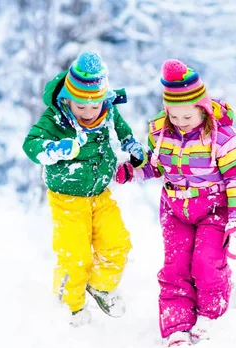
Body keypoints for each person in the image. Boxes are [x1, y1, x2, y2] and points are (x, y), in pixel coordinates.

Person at [115, 59, 236, 347]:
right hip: (176, 210)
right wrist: (133, 171)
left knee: (205, 263)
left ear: (202, 108)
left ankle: (210, 315)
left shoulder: (225, 140)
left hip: (214, 209)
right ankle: (176, 325)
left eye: (186, 117)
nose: (179, 123)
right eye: (173, 117)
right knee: (175, 267)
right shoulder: (161, 133)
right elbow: (157, 166)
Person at [22, 51, 147, 327]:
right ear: (67, 98)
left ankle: (101, 286)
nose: (89, 113)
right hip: (67, 199)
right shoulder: (55, 119)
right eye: (81, 107)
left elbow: (121, 127)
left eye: (95, 106)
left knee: (118, 243)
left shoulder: (106, 109)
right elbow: (30, 145)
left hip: (100, 195)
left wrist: (131, 145)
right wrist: (53, 149)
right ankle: (71, 306)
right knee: (75, 255)